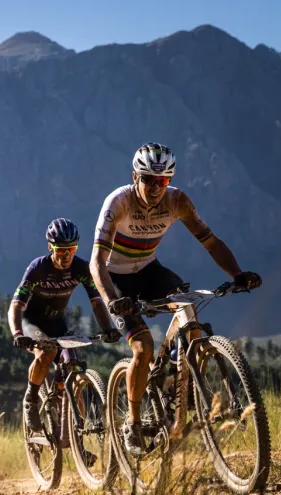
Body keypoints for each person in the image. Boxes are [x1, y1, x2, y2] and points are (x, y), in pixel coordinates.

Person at [88, 142, 262, 456]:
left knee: (187, 306)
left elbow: (211, 242)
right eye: (148, 180)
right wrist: (113, 300)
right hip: (116, 278)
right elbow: (96, 262)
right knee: (143, 347)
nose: (156, 187)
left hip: (149, 269)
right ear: (135, 177)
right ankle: (133, 421)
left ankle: (180, 378)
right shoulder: (118, 202)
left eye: (163, 180)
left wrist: (238, 274)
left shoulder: (177, 200)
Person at [8, 217, 122, 433]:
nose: (66, 255)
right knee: (48, 352)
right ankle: (31, 400)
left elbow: (96, 302)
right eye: (61, 250)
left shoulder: (81, 268)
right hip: (32, 322)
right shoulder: (38, 268)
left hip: (57, 323)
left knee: (72, 364)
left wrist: (108, 329)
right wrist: (17, 333)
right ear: (50, 247)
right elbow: (16, 305)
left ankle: (71, 431)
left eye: (71, 249)